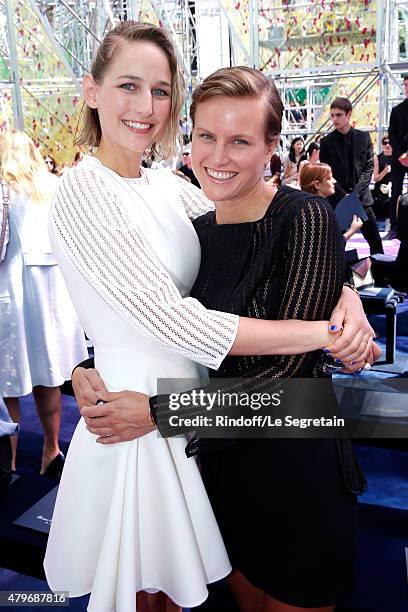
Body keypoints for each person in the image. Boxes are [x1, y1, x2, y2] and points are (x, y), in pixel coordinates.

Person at [69, 60, 379, 612]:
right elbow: (148, 311)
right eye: (206, 136)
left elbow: (284, 383)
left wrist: (164, 413)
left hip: (293, 464)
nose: (217, 157)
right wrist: (87, 363)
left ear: (271, 147)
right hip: (215, 467)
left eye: (239, 140)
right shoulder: (196, 226)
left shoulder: (302, 216)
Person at [0, 130, 88, 476]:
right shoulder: (54, 188)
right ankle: (51, 450)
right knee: (48, 376)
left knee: (9, 379)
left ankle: (7, 461)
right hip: (52, 296)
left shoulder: (5, 191)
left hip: (14, 295)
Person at [320, 97, 384, 255]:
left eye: (339, 115)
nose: (334, 119)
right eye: (332, 115)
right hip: (337, 200)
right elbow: (327, 172)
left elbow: (369, 168)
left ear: (349, 115)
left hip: (362, 199)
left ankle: (382, 278)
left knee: (375, 241)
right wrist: (344, 195)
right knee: (335, 244)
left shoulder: (364, 137)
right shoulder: (326, 142)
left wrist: (355, 193)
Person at [299, 162, 363, 241]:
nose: (334, 181)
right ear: (317, 185)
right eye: (329, 178)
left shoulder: (306, 205)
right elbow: (330, 246)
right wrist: (352, 230)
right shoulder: (321, 210)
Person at [387, 75, 408, 240]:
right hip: (398, 157)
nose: (407, 88)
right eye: (406, 85)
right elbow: (392, 133)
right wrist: (402, 154)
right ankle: (394, 227)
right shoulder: (397, 110)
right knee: (395, 191)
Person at [372, 134, 393, 224]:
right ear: (382, 144)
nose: (387, 145)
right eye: (385, 143)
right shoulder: (377, 158)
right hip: (381, 190)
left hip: (393, 190)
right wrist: (385, 171)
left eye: (389, 143)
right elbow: (376, 178)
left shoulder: (397, 158)